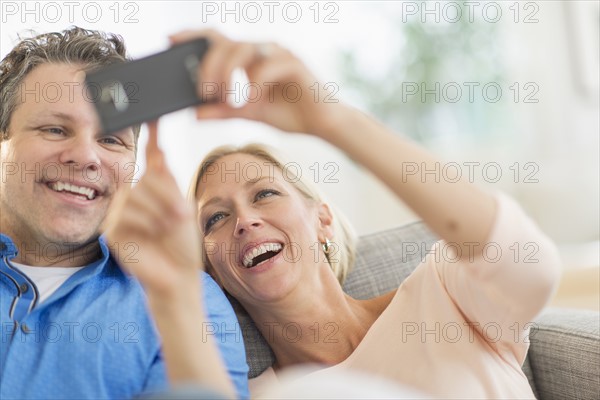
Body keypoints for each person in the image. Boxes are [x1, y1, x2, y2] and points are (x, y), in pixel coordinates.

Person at [105, 29, 562, 399]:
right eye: (215, 219)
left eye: (263, 194)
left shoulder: (443, 294)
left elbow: (528, 264)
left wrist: (330, 120)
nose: (244, 221)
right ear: (214, 271)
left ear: (322, 219)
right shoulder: (262, 395)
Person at [0, 27, 249, 399]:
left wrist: (173, 297)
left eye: (111, 140)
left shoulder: (189, 300)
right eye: (54, 129)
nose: (85, 156)